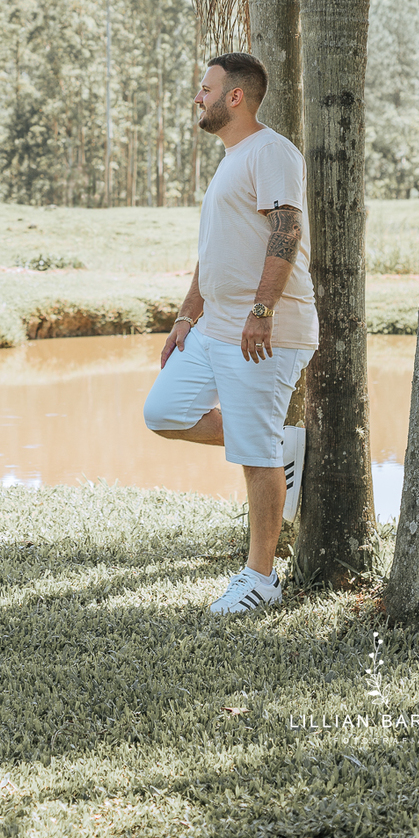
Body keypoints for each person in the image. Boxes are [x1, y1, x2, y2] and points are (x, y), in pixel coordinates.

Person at [143, 52, 317, 616]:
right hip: (215, 327)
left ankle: (261, 579)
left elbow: (286, 230)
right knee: (165, 412)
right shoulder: (232, 158)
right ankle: (280, 443)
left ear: (234, 97)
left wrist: (261, 309)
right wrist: (185, 317)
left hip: (264, 329)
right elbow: (213, 252)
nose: (198, 96)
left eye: (205, 88)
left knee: (252, 452)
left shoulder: (271, 151)